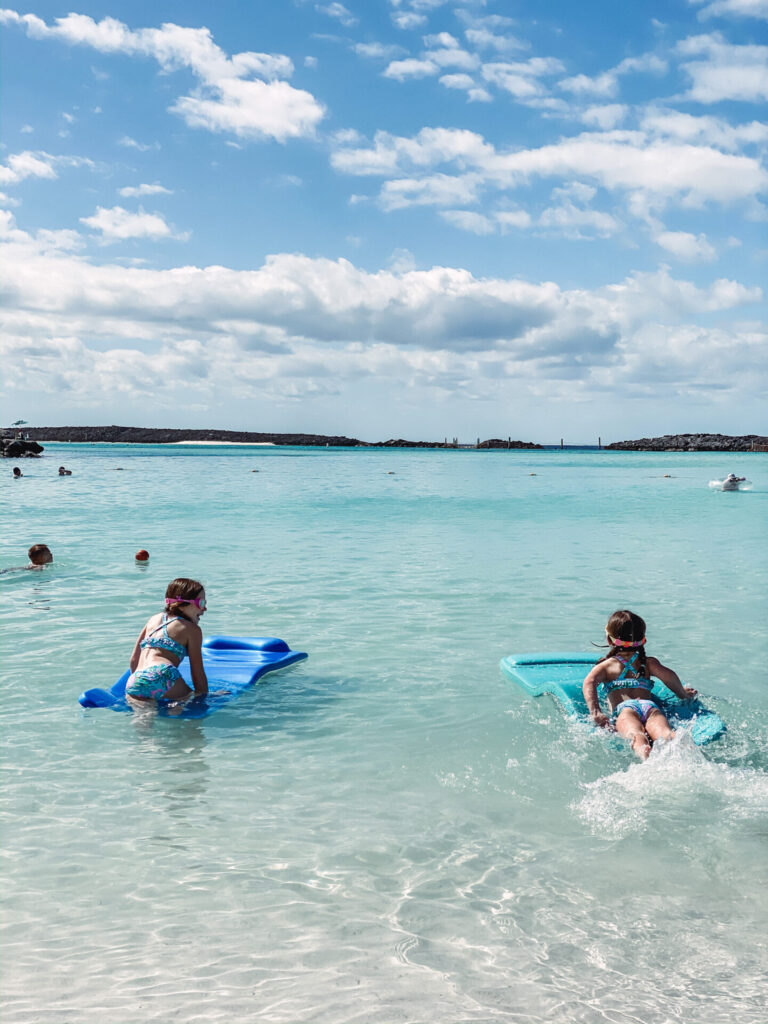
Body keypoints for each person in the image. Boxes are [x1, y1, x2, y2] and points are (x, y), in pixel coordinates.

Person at [582, 609, 697, 760]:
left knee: (636, 735)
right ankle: (686, 751)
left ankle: (645, 757)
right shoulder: (648, 663)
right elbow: (669, 677)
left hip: (625, 710)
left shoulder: (607, 666)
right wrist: (683, 694)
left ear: (610, 640)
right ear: (643, 639)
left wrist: (596, 712)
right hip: (650, 707)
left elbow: (589, 682)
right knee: (666, 733)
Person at [125, 578, 209, 705]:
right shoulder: (192, 630)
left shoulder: (153, 619)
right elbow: (198, 673)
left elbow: (134, 660)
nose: (204, 609)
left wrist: (143, 683)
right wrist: (204, 696)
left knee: (143, 718)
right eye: (201, 603)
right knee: (188, 699)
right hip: (162, 674)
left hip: (135, 680)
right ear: (184, 603)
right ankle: (175, 711)